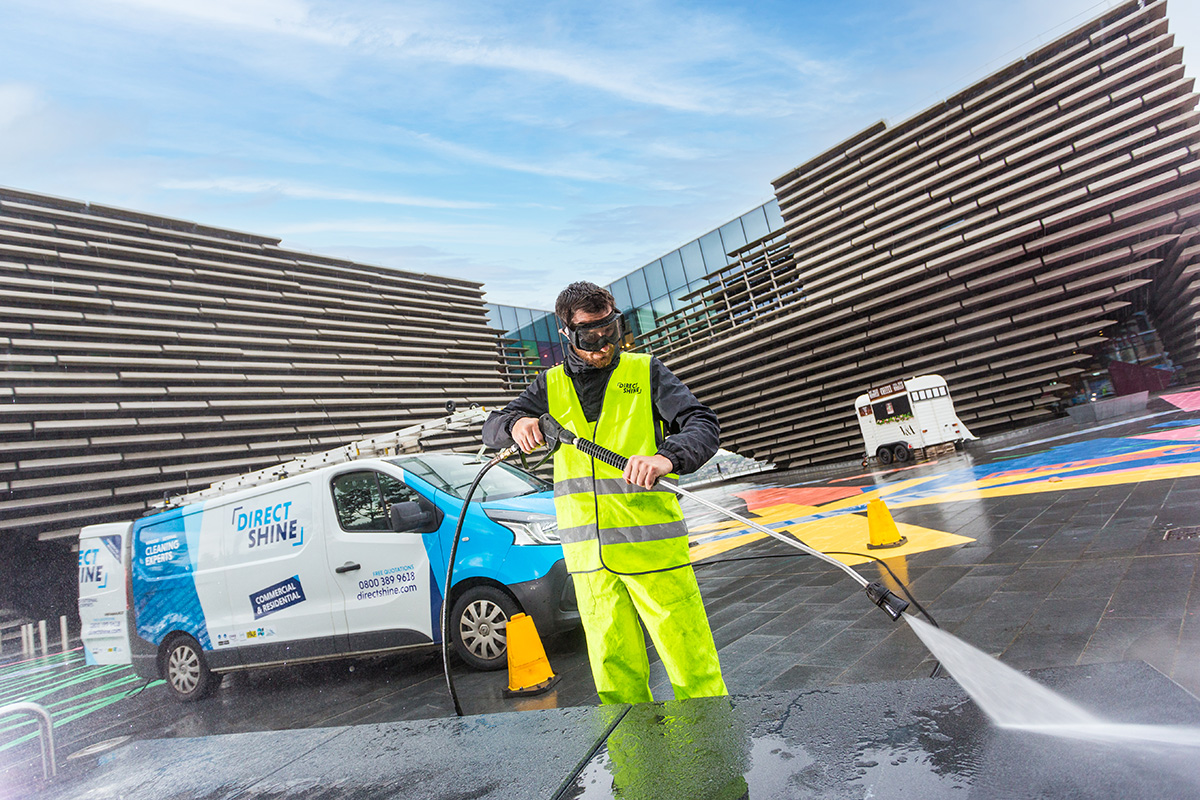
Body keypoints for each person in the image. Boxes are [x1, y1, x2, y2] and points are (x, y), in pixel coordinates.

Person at [483, 281, 727, 704]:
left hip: (652, 551)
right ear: (566, 334)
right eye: (588, 335)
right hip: (589, 561)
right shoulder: (549, 386)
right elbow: (492, 426)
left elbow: (701, 423)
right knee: (615, 677)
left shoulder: (645, 371)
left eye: (609, 330)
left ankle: (717, 760)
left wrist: (667, 457)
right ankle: (636, 766)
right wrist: (514, 425)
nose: (602, 344)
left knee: (693, 665)